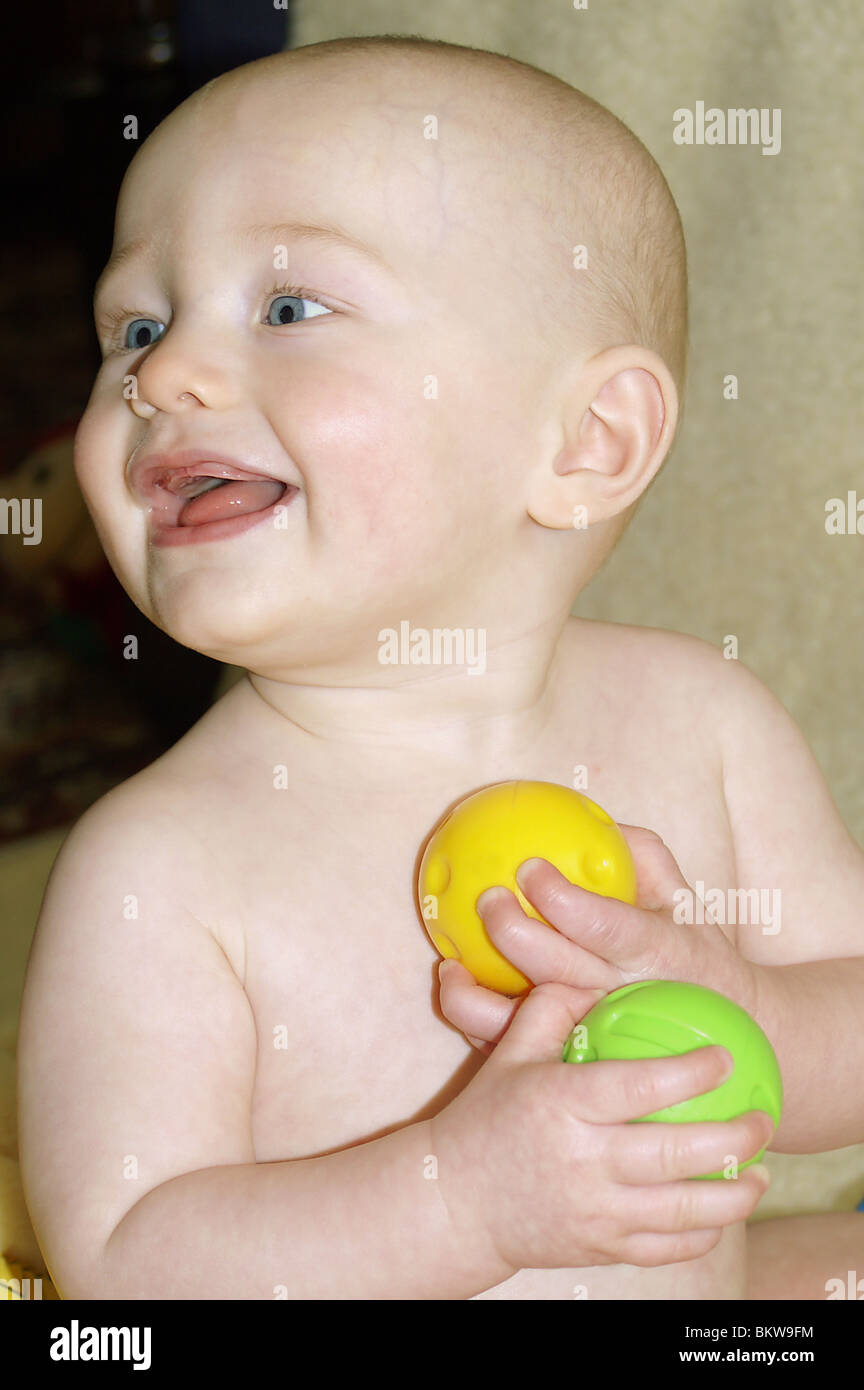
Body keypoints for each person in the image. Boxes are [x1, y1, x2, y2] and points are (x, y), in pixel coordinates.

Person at [17, 36, 864, 1300]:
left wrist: (753, 1011)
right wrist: (463, 1198)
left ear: (587, 440)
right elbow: (129, 1262)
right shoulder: (163, 863)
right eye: (135, 322)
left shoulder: (708, 723)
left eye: (288, 307)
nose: (160, 376)